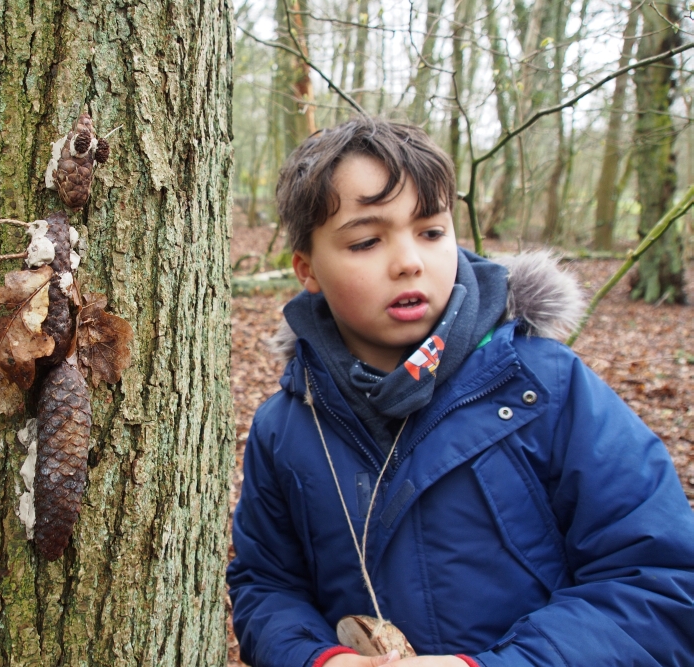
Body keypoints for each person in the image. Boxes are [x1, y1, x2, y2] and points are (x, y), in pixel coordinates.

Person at [226, 116, 694, 667]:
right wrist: (317, 659)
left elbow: (660, 582)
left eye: (431, 232)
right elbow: (267, 587)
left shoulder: (546, 388)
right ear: (307, 268)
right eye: (367, 240)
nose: (409, 262)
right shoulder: (286, 426)